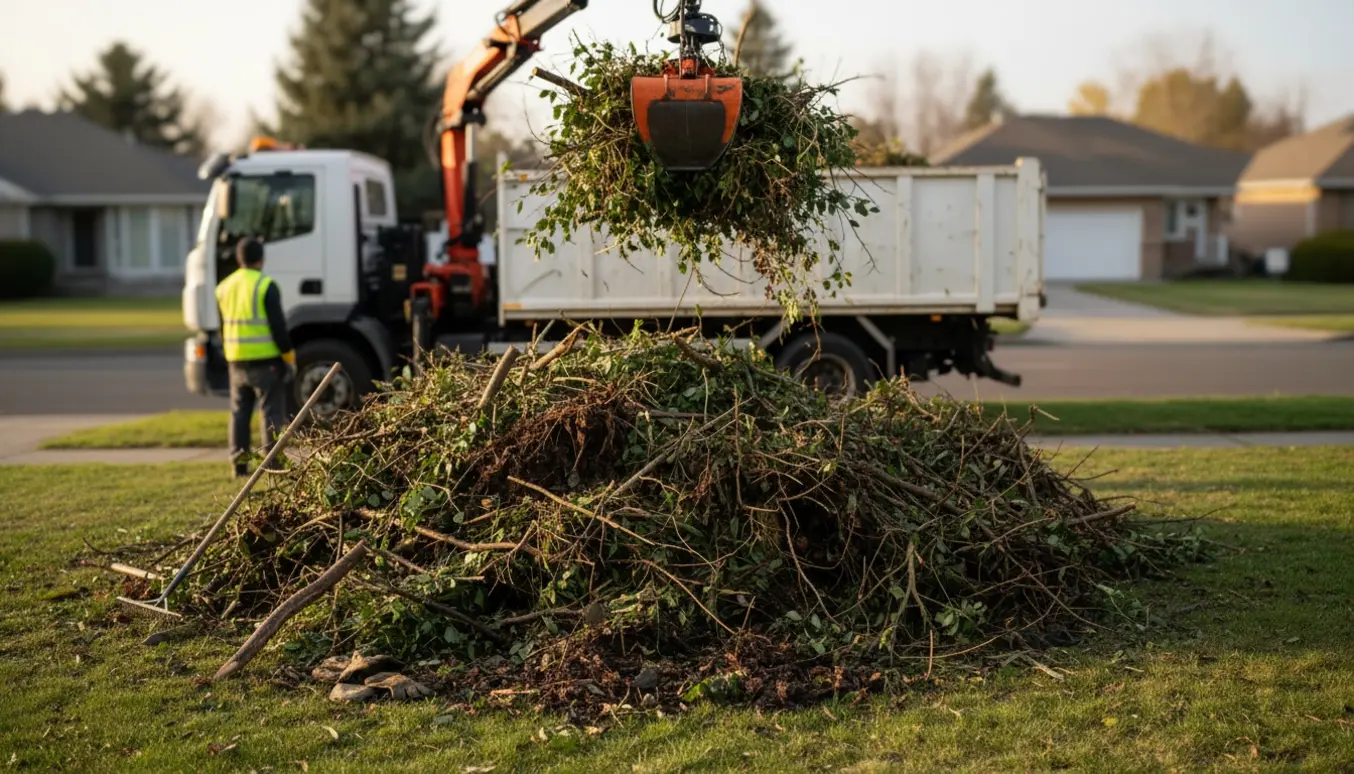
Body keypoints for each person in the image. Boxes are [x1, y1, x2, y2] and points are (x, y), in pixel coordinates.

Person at [216, 237, 296, 477]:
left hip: (236, 360)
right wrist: (289, 357)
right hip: (266, 361)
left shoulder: (224, 287)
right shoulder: (265, 285)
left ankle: (239, 465)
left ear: (239, 258)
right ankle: (272, 464)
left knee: (239, 413)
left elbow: (223, 326)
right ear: (261, 258)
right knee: (270, 412)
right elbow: (278, 327)